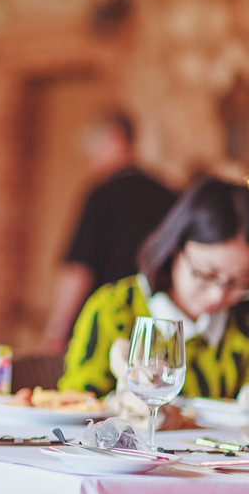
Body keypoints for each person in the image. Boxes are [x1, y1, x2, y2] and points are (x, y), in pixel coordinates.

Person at [59, 177, 249, 402]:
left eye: (239, 281)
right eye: (206, 274)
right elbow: (75, 406)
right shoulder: (115, 309)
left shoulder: (242, 322)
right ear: (176, 247)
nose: (217, 295)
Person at [44, 110, 177, 350]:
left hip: (102, 327)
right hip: (156, 329)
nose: (89, 156)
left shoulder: (101, 195)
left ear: (116, 139)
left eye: (94, 145)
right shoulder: (168, 194)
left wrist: (57, 328)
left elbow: (79, 268)